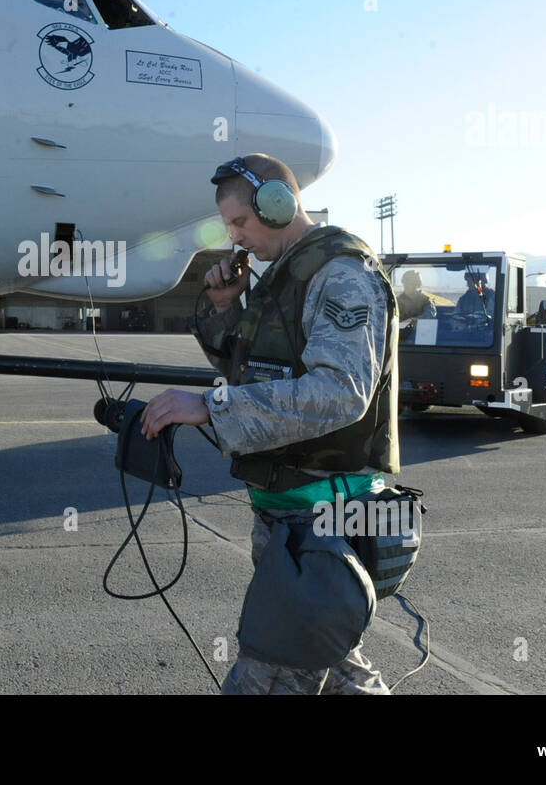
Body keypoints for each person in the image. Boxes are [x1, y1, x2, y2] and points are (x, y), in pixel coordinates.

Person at [140, 153, 400, 695]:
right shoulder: (284, 277)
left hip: (325, 520)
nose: (234, 239)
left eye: (239, 222)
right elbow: (259, 374)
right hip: (291, 519)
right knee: (337, 672)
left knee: (270, 675)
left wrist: (210, 407)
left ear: (279, 205)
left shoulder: (342, 274)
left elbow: (339, 393)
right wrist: (224, 307)